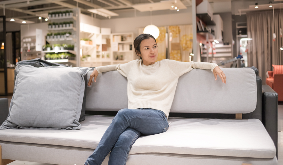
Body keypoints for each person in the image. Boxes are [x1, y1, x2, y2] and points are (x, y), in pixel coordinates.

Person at [85, 34, 226, 165]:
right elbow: (114, 66)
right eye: (147, 48)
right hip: (135, 119)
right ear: (138, 53)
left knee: (123, 114)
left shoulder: (168, 65)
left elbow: (194, 65)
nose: (152, 51)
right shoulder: (132, 66)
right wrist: (97, 69)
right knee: (122, 141)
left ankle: (92, 163)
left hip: (157, 118)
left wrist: (214, 66)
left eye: (154, 46)